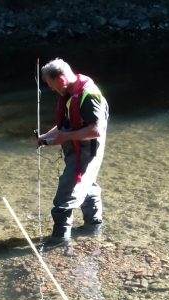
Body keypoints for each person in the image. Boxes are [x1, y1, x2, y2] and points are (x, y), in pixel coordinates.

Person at [37, 58, 109, 246]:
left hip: (86, 153)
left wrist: (66, 138)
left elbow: (96, 130)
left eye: (51, 85)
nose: (52, 89)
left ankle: (60, 240)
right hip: (77, 151)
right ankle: (93, 228)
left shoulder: (89, 96)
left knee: (64, 196)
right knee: (89, 186)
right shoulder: (70, 92)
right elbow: (66, 124)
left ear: (60, 80)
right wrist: (45, 137)